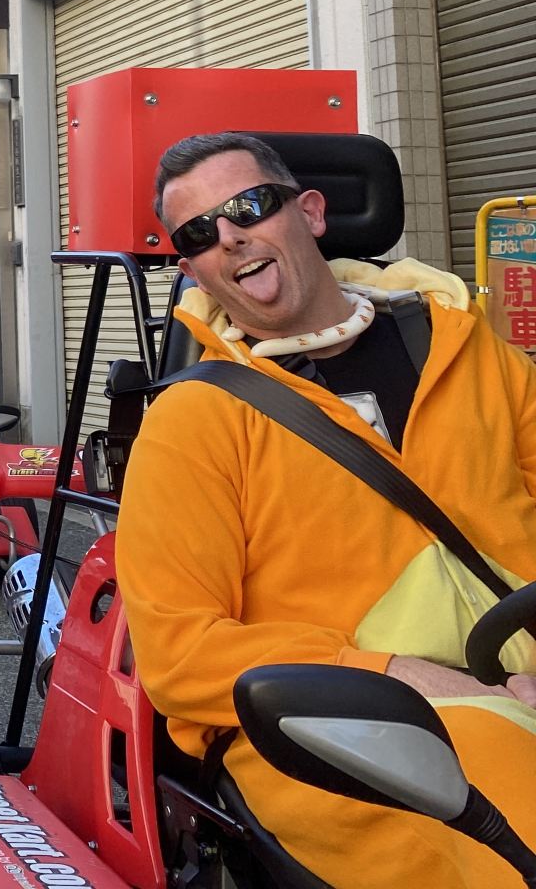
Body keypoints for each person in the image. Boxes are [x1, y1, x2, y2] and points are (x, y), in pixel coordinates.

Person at [121, 132, 536, 889]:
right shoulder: (195, 419)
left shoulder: (472, 349)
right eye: (198, 233)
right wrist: (405, 676)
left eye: (247, 206)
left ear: (310, 213)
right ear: (193, 269)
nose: (230, 235)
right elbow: (180, 655)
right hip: (332, 724)